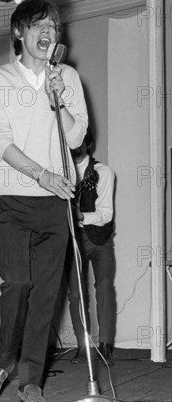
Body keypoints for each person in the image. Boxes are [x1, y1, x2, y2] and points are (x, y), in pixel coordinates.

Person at [0, 0, 88, 402]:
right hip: (11, 199)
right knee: (18, 283)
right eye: (39, 25)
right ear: (19, 33)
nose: (48, 33)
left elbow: (76, 139)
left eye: (53, 27)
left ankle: (30, 381)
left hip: (56, 202)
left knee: (46, 293)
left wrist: (58, 103)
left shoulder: (68, 79)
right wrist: (40, 173)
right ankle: (5, 360)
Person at [67, 128, 116, 365]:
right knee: (76, 294)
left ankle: (105, 344)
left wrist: (79, 216)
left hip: (99, 239)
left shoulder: (103, 172)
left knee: (105, 286)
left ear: (88, 144)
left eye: (80, 142)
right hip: (72, 240)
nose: (75, 147)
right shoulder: (59, 173)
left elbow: (106, 214)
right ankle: (82, 346)